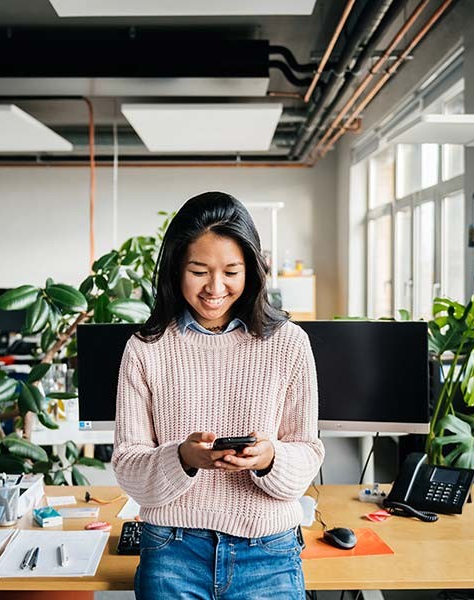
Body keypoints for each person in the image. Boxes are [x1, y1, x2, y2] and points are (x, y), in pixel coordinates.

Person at [112, 191, 325, 599]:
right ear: (176, 269)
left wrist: (270, 458)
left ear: (251, 271)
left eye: (231, 271)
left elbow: (308, 452)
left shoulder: (289, 343)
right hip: (172, 550)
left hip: (268, 552)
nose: (215, 287)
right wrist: (183, 458)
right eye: (199, 270)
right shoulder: (145, 348)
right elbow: (127, 465)